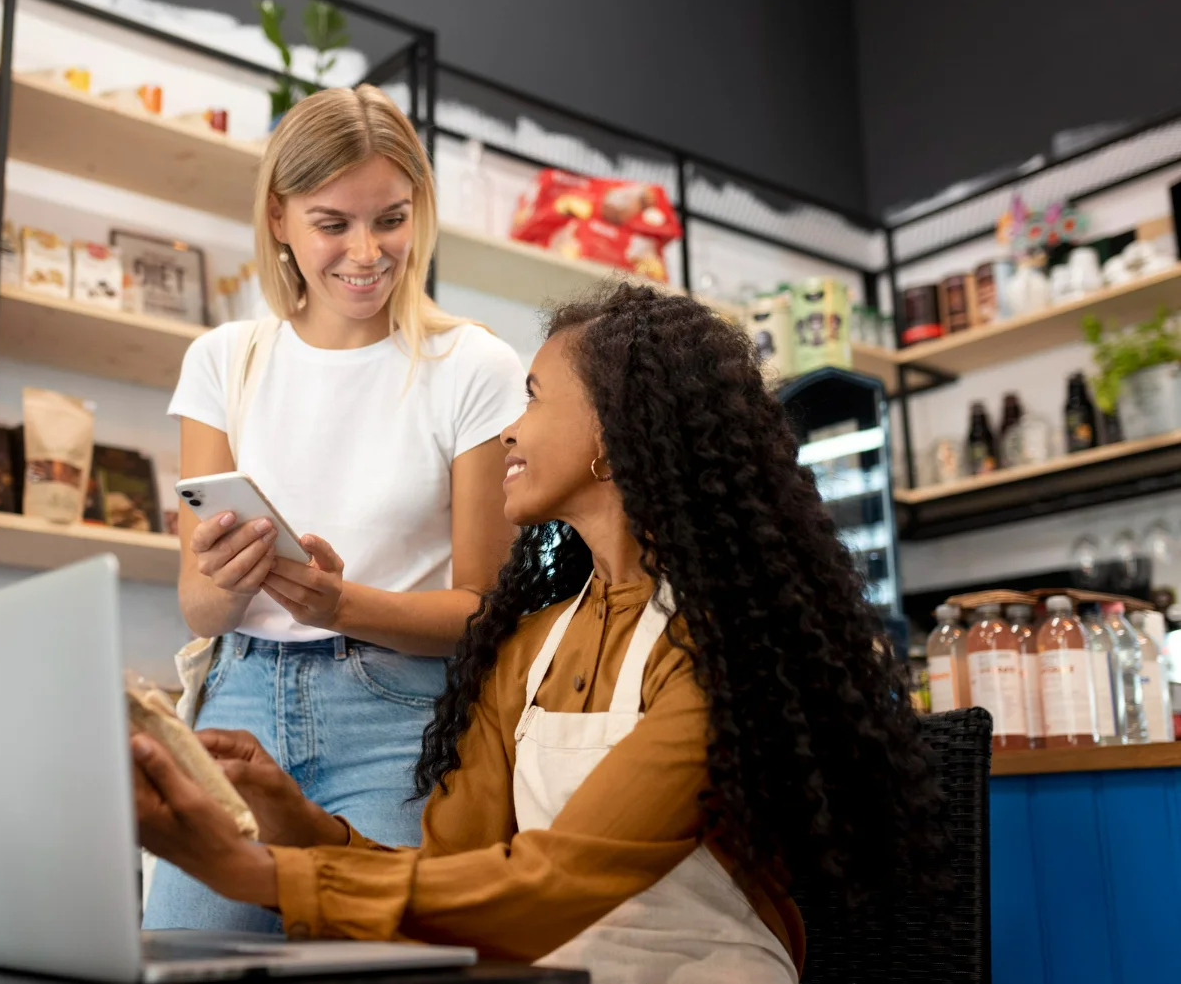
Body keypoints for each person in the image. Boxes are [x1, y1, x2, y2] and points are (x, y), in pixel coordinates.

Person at [133, 284, 944, 981]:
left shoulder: (717, 650)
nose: (508, 431)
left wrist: (256, 871)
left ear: (611, 435)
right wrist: (292, 819)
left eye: (532, 397)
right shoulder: (528, 646)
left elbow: (556, 880)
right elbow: (454, 880)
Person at [149, 84, 526, 932]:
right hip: (239, 701)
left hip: (400, 717)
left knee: (379, 962)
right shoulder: (224, 361)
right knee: (184, 959)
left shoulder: (473, 366)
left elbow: (484, 613)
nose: (366, 251)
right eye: (333, 223)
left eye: (390, 219)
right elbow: (197, 605)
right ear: (279, 217)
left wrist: (341, 603)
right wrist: (231, 581)